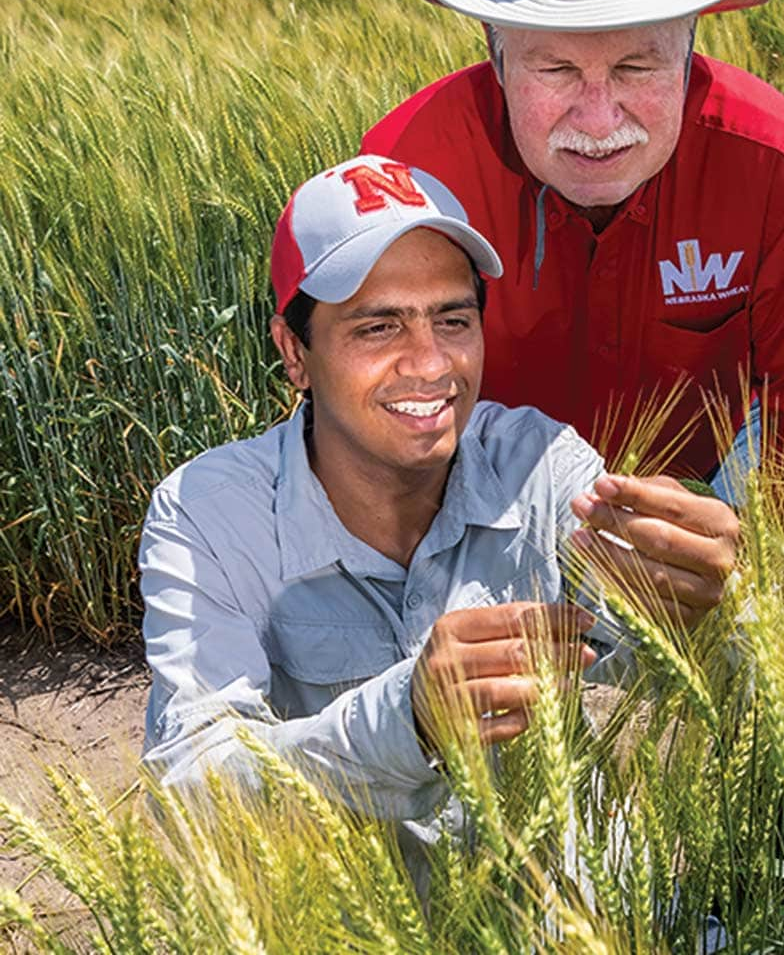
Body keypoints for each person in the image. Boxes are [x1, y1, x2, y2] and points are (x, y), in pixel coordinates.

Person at [139, 154, 739, 887]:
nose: (429, 364)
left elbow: (644, 650)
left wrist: (698, 601)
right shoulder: (208, 514)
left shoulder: (537, 462)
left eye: (452, 319)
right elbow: (195, 795)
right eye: (378, 327)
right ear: (295, 353)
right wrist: (410, 721)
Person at [361, 0, 784, 506]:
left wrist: (730, 554)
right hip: (473, 518)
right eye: (556, 71)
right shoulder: (408, 170)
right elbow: (373, 411)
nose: (600, 122)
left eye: (637, 69)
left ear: (690, 45)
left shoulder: (777, 164)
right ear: (494, 50)